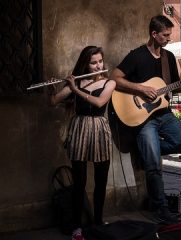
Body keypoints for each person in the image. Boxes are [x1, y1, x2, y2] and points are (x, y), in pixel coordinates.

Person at [110, 15, 181, 224]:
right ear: (154, 34)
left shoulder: (168, 57)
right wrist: (140, 88)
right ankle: (161, 209)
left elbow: (175, 85)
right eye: (165, 35)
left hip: (163, 113)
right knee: (154, 167)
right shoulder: (136, 56)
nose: (169, 38)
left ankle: (146, 153)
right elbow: (114, 78)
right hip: (143, 118)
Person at [51, 46, 116, 240]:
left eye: (100, 61)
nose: (98, 66)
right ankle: (77, 226)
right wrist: (54, 88)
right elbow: (53, 101)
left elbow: (98, 103)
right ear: (85, 64)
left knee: (101, 180)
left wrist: (75, 90)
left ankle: (98, 220)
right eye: (93, 62)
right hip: (79, 129)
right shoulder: (77, 81)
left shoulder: (109, 82)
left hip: (99, 129)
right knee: (79, 182)